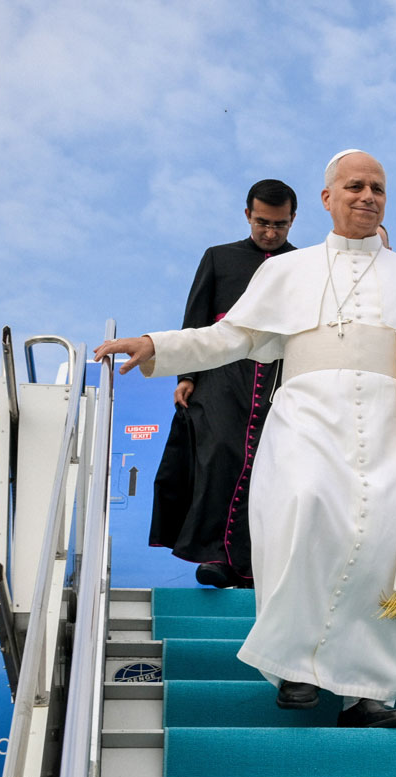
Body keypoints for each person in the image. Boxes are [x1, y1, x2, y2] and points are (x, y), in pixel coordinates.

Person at [98, 150, 396, 729]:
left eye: (377, 187)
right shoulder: (284, 272)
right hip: (307, 418)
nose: (367, 196)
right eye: (354, 186)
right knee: (304, 512)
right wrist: (158, 346)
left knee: (381, 543)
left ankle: (368, 691)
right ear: (327, 198)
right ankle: (296, 665)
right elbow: (230, 338)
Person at [148, 179, 299, 588]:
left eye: (280, 225)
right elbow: (196, 319)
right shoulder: (218, 257)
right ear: (248, 215)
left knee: (269, 466)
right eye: (263, 223)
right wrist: (186, 376)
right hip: (221, 373)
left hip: (278, 376)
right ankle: (216, 557)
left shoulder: (303, 265)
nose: (270, 233)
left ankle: (254, 566)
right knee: (217, 459)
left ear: (293, 220)